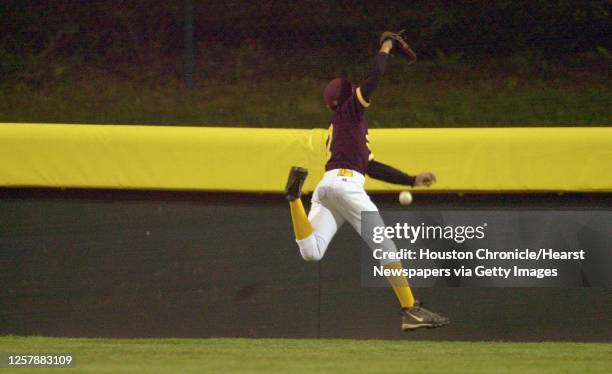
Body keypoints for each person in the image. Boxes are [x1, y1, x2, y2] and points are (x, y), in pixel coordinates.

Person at [284, 34, 449, 331]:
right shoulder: (351, 111)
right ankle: (410, 310)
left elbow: (371, 166)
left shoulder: (343, 125)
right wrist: (385, 48)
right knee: (385, 246)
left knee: (312, 251)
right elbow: (374, 77)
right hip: (347, 186)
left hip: (327, 187)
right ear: (349, 97)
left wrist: (411, 179)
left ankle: (294, 198)